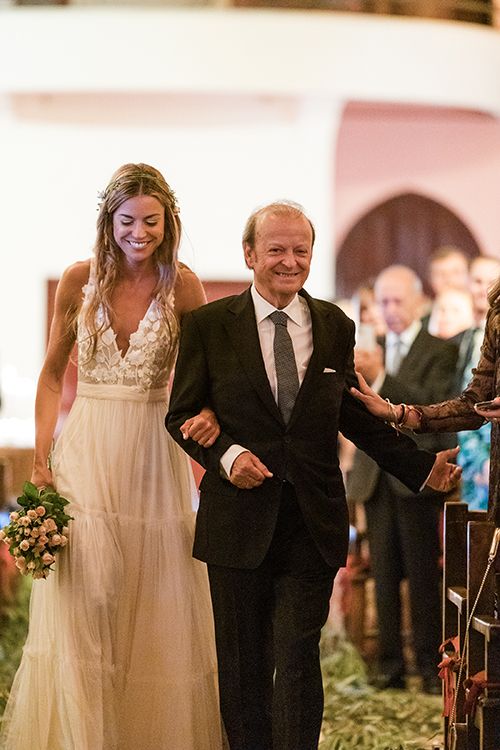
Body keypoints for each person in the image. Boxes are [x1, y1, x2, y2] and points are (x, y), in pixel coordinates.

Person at [166, 201, 461, 750]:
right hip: (236, 521)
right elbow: (181, 414)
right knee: (242, 666)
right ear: (250, 254)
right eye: (276, 249)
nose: (289, 261)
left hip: (311, 519)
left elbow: (351, 415)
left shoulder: (333, 325)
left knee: (298, 658)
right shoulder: (208, 326)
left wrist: (421, 469)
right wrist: (228, 456)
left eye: (300, 250)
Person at [0, 163, 224, 750]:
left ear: (167, 222)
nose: (139, 233)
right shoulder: (79, 281)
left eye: (151, 221)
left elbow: (205, 377)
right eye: (128, 220)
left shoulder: (185, 286)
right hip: (88, 449)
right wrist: (42, 458)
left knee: (154, 596)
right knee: (86, 594)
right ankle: (85, 735)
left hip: (155, 450)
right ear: (109, 221)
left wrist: (211, 424)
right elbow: (52, 378)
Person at [347, 265, 458, 694]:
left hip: (415, 477)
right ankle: (388, 667)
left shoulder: (439, 350)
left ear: (418, 303)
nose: (390, 311)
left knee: (421, 573)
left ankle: (430, 668)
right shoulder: (367, 345)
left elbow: (433, 405)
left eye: (398, 302)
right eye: (384, 302)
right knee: (385, 572)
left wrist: (381, 379)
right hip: (375, 478)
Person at [350, 264, 500, 528]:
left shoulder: (438, 349)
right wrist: (397, 413)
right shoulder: (497, 313)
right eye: (384, 301)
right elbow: (472, 405)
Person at [452, 256, 500, 510]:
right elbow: (467, 402)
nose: (484, 288)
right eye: (478, 280)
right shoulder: (466, 337)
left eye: (490, 281)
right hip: (474, 467)